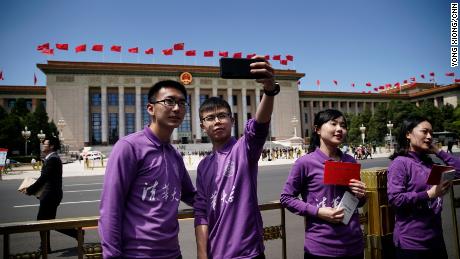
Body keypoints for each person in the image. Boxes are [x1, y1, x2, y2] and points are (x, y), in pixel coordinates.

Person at [98, 80, 196, 259]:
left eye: (182, 103)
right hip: (137, 254)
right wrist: (112, 255)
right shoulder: (129, 147)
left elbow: (192, 196)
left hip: (173, 253)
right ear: (150, 108)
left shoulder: (174, 155)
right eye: (169, 101)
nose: (176, 108)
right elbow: (111, 208)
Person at [194, 56, 277, 259]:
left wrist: (269, 90)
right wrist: (202, 255)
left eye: (222, 116)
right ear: (202, 126)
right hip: (217, 254)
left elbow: (258, 126)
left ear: (232, 120)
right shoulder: (203, 166)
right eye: (210, 118)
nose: (217, 122)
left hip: (248, 254)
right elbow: (201, 214)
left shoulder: (244, 149)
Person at [280, 109, 367, 259]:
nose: (340, 129)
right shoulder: (305, 163)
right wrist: (318, 212)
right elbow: (286, 198)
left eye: (343, 125)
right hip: (321, 247)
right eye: (333, 124)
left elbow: (358, 202)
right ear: (318, 129)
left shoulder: (350, 161)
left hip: (354, 245)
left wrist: (361, 195)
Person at [387, 116, 460, 259]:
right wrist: (429, 194)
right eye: (424, 132)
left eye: (431, 133)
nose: (429, 136)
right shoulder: (400, 163)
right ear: (408, 134)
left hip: (436, 239)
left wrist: (439, 152)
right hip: (412, 244)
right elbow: (395, 199)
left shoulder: (429, 164)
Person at [20, 136, 79, 253]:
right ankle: (73, 234)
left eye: (45, 143)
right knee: (49, 222)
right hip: (51, 194)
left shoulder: (53, 159)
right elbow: (46, 179)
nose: (43, 145)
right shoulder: (51, 158)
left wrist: (30, 190)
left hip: (50, 195)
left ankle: (45, 247)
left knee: (42, 222)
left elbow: (43, 178)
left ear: (51, 146)